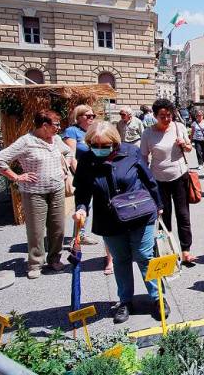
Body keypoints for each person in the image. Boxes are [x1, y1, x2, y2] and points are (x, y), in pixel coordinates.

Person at [72, 122, 167, 324]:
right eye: (94, 145)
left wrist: (159, 204)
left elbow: (149, 180)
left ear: (114, 142)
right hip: (109, 219)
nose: (99, 149)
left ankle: (158, 297)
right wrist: (81, 208)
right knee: (121, 260)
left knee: (144, 256)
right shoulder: (87, 160)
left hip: (140, 214)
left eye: (104, 144)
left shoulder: (131, 152)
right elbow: (82, 190)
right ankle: (125, 301)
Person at [0, 110, 72, 279]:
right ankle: (35, 264)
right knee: (35, 230)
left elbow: (68, 152)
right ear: (44, 126)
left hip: (56, 189)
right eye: (56, 124)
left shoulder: (55, 139)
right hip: (34, 193)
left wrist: (65, 167)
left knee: (58, 228)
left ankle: (54, 259)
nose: (59, 128)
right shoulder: (26, 142)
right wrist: (17, 177)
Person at [140, 98, 197, 264]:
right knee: (163, 216)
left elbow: (189, 148)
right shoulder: (148, 133)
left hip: (179, 176)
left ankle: (186, 251)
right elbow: (143, 157)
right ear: (155, 116)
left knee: (183, 215)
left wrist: (184, 144)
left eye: (169, 115)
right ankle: (168, 251)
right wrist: (145, 178)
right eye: (162, 116)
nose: (166, 119)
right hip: (158, 179)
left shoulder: (179, 127)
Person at [62, 105, 101, 251]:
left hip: (95, 173)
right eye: (88, 116)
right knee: (82, 205)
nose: (91, 118)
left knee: (89, 205)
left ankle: (82, 234)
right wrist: (80, 175)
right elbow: (71, 156)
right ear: (78, 117)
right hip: (82, 174)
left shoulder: (91, 131)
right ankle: (77, 237)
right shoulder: (72, 131)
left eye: (93, 116)